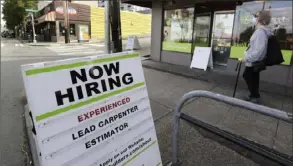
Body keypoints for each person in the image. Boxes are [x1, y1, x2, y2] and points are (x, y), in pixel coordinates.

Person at [241, 10, 272, 103]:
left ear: (260, 18)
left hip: (253, 61)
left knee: (247, 76)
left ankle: (254, 96)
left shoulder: (260, 32)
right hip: (254, 60)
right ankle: (254, 95)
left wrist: (247, 58)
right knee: (253, 77)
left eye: (256, 15)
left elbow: (259, 50)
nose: (254, 17)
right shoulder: (260, 31)